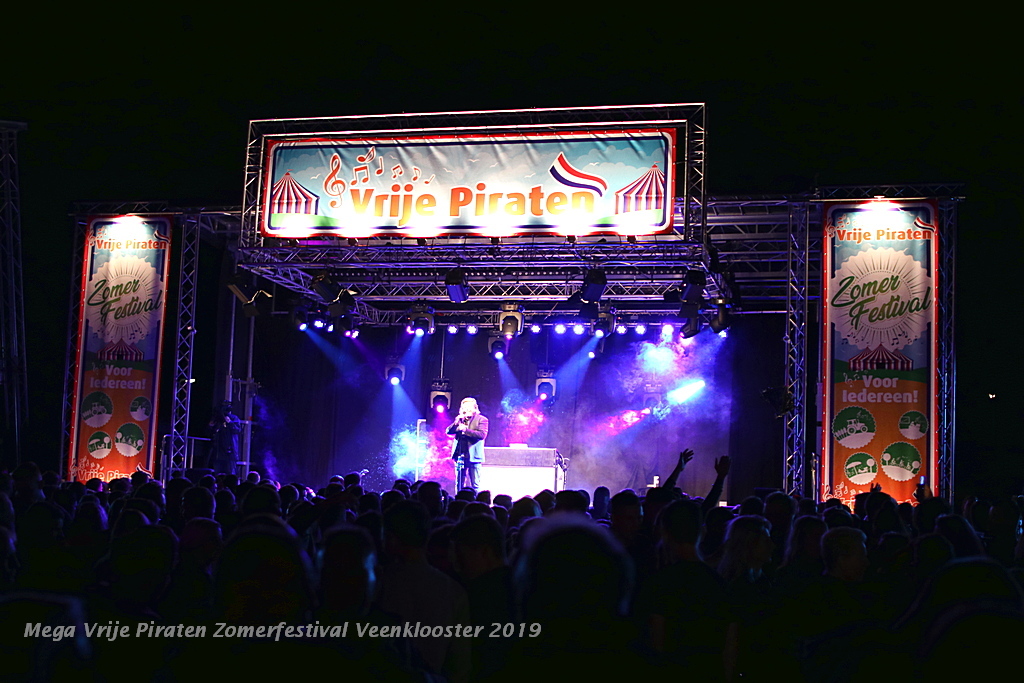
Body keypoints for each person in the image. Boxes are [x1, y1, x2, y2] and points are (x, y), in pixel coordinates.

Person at [447, 397, 488, 493]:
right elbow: (448, 431)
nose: (467, 409)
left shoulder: (482, 419)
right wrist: (456, 423)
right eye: (464, 407)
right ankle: (459, 499)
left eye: (469, 407)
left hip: (473, 456)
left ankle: (476, 500)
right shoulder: (460, 419)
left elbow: (481, 435)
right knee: (459, 483)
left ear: (475, 407)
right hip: (460, 455)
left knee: (475, 484)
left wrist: (465, 430)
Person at [207, 401, 241, 474]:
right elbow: (209, 432)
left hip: (230, 451)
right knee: (217, 473)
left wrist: (229, 422)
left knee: (230, 472)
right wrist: (210, 426)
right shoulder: (216, 420)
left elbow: (237, 430)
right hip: (218, 451)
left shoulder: (233, 418)